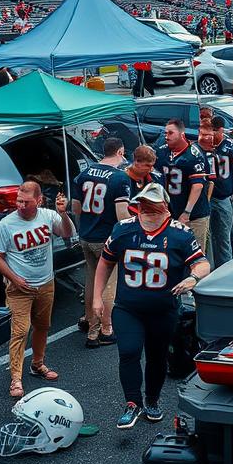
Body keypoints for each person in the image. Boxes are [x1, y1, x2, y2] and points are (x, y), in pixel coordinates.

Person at [93, 184, 210, 429]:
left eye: (153, 205)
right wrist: (97, 297)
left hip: (163, 309)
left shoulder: (180, 234)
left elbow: (202, 263)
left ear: (165, 207)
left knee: (157, 357)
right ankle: (132, 403)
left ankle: (152, 400)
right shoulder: (124, 229)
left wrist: (192, 278)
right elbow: (105, 262)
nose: (147, 209)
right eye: (144, 204)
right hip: (128, 307)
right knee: (129, 351)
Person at [0, 180, 73, 398]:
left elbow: (66, 233)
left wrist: (63, 214)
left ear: (39, 200)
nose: (20, 206)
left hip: (46, 283)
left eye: (26, 202)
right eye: (18, 201)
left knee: (43, 326)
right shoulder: (6, 224)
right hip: (19, 288)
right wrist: (14, 279)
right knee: (20, 331)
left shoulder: (48, 216)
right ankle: (16, 378)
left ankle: (37, 364)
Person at [73, 137, 132, 348]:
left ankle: (90, 320)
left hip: (86, 235)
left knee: (91, 279)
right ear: (120, 152)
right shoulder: (120, 178)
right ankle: (106, 328)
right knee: (109, 284)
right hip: (106, 239)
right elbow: (122, 215)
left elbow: (76, 208)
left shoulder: (84, 173)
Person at [155, 119, 210, 252]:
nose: (166, 136)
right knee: (171, 253)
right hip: (170, 212)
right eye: (165, 133)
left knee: (195, 253)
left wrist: (186, 213)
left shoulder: (194, 155)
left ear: (181, 134)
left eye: (170, 133)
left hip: (194, 214)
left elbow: (198, 186)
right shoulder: (161, 152)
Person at [205, 117, 233, 269]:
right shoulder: (201, 145)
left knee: (223, 237)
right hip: (205, 198)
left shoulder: (232, 146)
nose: (211, 134)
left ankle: (225, 271)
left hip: (223, 196)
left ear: (221, 130)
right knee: (206, 238)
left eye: (214, 131)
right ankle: (208, 270)